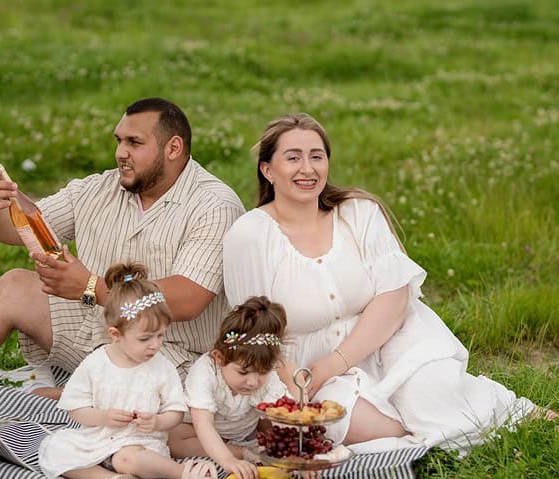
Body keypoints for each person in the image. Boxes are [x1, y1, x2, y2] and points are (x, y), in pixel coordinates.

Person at [222, 113, 555, 455]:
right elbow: (253, 329)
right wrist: (296, 382)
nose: (307, 169)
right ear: (267, 170)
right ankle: (431, 430)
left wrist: (336, 362)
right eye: (293, 158)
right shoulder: (250, 235)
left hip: (385, 341)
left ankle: (502, 412)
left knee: (432, 394)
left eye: (316, 156)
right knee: (345, 421)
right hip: (303, 371)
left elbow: (394, 298)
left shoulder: (358, 213)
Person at [0, 97, 245, 398]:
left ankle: (73, 396)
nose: (121, 152)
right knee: (15, 285)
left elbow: (187, 299)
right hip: (97, 329)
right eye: (119, 141)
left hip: (167, 356)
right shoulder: (100, 187)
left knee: (148, 403)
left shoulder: (214, 204)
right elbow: (22, 230)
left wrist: (93, 287)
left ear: (173, 147)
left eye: (134, 143)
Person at [38, 262, 218, 479]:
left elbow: (176, 412)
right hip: (99, 437)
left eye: (160, 335)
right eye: (145, 338)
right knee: (54, 448)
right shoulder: (96, 363)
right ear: (116, 334)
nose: (155, 345)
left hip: (141, 444)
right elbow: (75, 408)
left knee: (127, 459)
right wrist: (103, 416)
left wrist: (157, 422)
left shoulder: (161, 367)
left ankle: (180, 472)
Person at [168, 296, 297, 479]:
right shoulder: (205, 372)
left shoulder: (265, 379)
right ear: (219, 358)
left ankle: (259, 448)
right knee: (174, 440)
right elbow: (204, 425)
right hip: (203, 431)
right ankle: (239, 451)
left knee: (282, 427)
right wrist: (229, 461)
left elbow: (288, 417)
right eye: (243, 372)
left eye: (262, 372)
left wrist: (298, 453)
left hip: (246, 428)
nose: (252, 382)